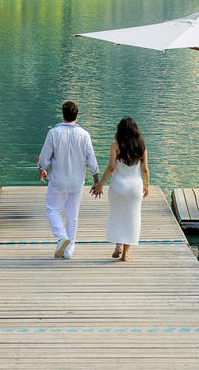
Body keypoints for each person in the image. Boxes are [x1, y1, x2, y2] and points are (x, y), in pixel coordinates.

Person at [37, 100, 100, 259]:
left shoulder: (53, 133)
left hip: (58, 180)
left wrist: (42, 168)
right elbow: (91, 160)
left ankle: (61, 236)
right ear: (76, 115)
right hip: (77, 182)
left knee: (53, 209)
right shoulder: (85, 135)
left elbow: (45, 157)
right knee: (73, 215)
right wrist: (96, 180)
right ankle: (69, 249)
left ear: (63, 114)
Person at [92, 117, 149, 262]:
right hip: (135, 188)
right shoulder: (141, 145)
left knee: (117, 215)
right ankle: (125, 253)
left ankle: (118, 245)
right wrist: (146, 185)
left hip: (118, 187)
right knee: (131, 219)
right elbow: (145, 170)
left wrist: (100, 184)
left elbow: (111, 167)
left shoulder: (115, 145)